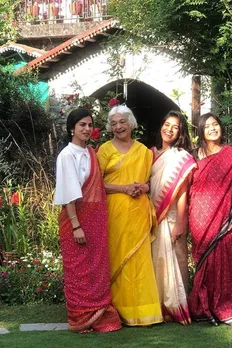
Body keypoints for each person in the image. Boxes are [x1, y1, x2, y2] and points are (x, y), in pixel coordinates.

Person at [188, 113, 232, 327]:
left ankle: (225, 309)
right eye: (208, 126)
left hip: (226, 218)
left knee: (228, 263)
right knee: (204, 266)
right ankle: (202, 308)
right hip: (199, 218)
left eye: (216, 124)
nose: (212, 128)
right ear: (201, 131)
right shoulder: (193, 157)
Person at [54, 108, 121, 333]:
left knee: (97, 268)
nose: (86, 129)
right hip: (77, 221)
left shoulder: (91, 152)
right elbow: (68, 194)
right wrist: (76, 225)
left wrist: (127, 188)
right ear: (72, 127)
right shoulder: (67, 155)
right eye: (82, 125)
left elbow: (99, 186)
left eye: (90, 125)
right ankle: (81, 318)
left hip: (96, 221)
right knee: (79, 270)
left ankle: (99, 315)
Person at [97, 105, 163, 326]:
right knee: (118, 259)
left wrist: (141, 188)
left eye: (122, 122)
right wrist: (123, 188)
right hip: (115, 213)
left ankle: (145, 312)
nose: (118, 127)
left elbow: (149, 183)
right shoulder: (105, 150)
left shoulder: (144, 152)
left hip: (138, 212)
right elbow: (95, 185)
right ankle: (119, 312)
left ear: (131, 123)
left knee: (140, 261)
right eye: (114, 123)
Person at [150, 111, 196, 325]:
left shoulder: (181, 157)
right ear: (161, 126)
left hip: (171, 217)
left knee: (176, 261)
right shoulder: (150, 154)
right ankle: (157, 305)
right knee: (155, 262)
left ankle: (178, 304)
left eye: (175, 126)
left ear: (180, 132)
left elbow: (182, 192)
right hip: (151, 217)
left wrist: (180, 222)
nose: (169, 129)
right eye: (166, 124)